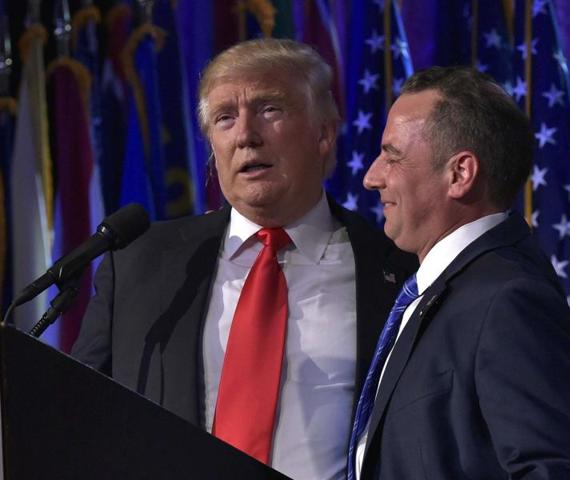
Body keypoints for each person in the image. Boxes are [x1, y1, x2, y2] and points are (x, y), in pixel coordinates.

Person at [71, 38, 416, 480]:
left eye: (270, 110)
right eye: (225, 118)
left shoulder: (399, 270)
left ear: (324, 133)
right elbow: (78, 412)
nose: (246, 136)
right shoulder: (140, 262)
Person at [349, 66, 570, 480]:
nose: (371, 177)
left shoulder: (508, 300)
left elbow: (556, 471)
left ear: (460, 174)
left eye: (392, 156)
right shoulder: (443, 293)